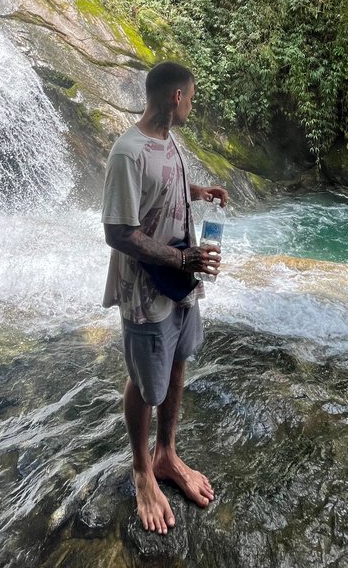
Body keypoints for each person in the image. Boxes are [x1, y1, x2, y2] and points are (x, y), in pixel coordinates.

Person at [101, 61, 228, 534]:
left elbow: (163, 187)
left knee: (178, 363)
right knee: (144, 383)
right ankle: (141, 472)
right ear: (176, 97)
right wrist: (182, 261)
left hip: (180, 284)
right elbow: (118, 231)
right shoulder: (126, 153)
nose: (192, 105)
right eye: (192, 98)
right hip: (146, 292)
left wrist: (197, 191)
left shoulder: (168, 141)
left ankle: (167, 454)